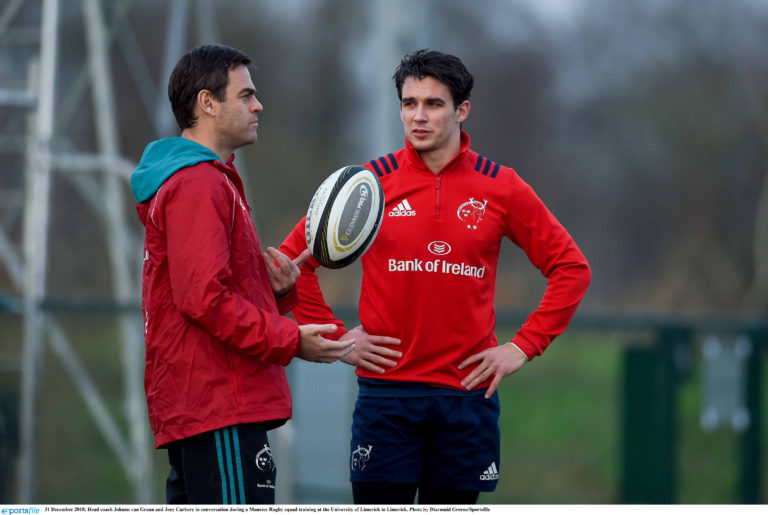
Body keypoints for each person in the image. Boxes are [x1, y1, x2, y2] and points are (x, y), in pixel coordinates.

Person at [279, 49, 591, 504]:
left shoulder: (501, 186)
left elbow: (571, 269)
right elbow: (295, 262)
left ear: (462, 110)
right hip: (386, 399)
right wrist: (340, 341)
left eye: (433, 104)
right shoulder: (369, 184)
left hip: (467, 400)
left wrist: (522, 347)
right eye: (409, 103)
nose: (418, 116)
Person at [129, 44, 355, 505]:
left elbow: (207, 292)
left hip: (213, 407)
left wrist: (280, 294)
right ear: (207, 103)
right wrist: (292, 340)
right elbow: (204, 301)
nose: (259, 105)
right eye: (246, 94)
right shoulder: (198, 183)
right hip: (219, 407)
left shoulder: (211, 179)